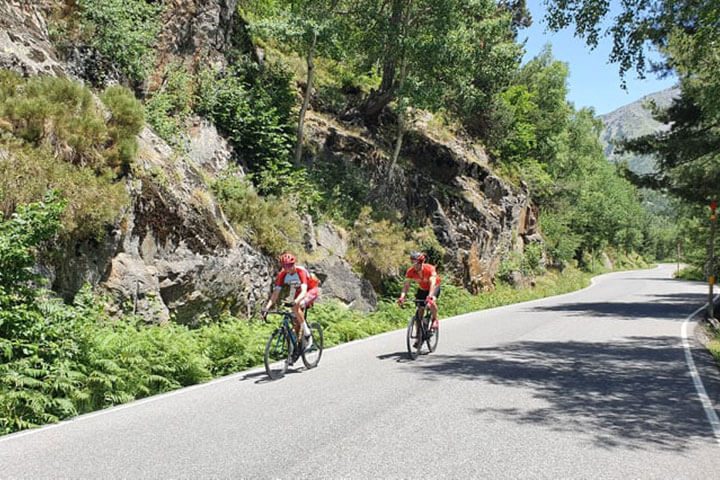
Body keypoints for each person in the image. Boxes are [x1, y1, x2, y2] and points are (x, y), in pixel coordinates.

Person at [261, 252, 320, 355]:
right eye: (285, 266)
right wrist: (267, 308)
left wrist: (295, 302)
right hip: (298, 291)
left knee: (296, 307)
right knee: (294, 321)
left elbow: (304, 291)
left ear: (294, 264)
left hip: (311, 290)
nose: (288, 268)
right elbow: (275, 294)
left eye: (290, 265)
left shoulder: (300, 271)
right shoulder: (282, 274)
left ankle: (307, 333)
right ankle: (295, 349)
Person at [397, 251, 441, 334]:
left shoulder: (429, 269)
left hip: (434, 287)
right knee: (419, 311)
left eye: (416, 263)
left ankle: (435, 319)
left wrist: (430, 296)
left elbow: (432, 283)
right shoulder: (410, 271)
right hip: (422, 289)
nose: (414, 265)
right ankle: (419, 335)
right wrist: (402, 297)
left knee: (431, 302)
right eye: (413, 263)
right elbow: (406, 286)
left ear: (421, 262)